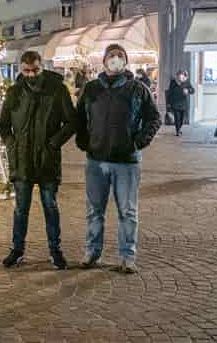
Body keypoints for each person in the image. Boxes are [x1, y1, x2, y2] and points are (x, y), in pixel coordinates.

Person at [75, 43, 160, 274]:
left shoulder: (137, 89)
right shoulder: (91, 88)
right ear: (104, 61)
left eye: (119, 56)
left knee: (128, 212)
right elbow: (79, 118)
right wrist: (84, 141)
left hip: (127, 161)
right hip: (96, 159)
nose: (115, 59)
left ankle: (127, 256)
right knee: (94, 210)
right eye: (111, 56)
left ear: (125, 62)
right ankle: (92, 252)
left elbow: (154, 118)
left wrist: (139, 141)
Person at [0, 51, 76, 270]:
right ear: (21, 69)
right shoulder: (14, 92)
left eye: (35, 70)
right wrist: (11, 144)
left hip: (47, 160)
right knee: (21, 208)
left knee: (50, 206)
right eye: (26, 70)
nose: (31, 75)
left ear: (42, 67)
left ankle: (55, 250)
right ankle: (17, 249)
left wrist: (53, 143)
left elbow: (72, 122)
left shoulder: (57, 90)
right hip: (22, 160)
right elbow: (3, 124)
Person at [165, 70, 194, 137]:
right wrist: (168, 103)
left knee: (181, 119)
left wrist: (188, 90)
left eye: (182, 75)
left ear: (183, 76)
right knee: (177, 118)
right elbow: (170, 93)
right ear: (177, 76)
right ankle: (177, 130)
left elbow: (192, 90)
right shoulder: (173, 82)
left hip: (183, 103)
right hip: (175, 103)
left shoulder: (186, 82)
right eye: (179, 75)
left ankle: (179, 128)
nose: (180, 77)